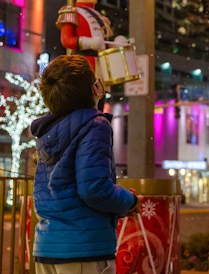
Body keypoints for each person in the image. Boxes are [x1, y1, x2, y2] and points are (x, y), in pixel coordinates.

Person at [31, 54, 141, 274]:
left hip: (47, 248)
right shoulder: (95, 124)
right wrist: (129, 201)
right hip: (84, 250)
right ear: (94, 88)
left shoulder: (49, 131)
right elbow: (93, 188)